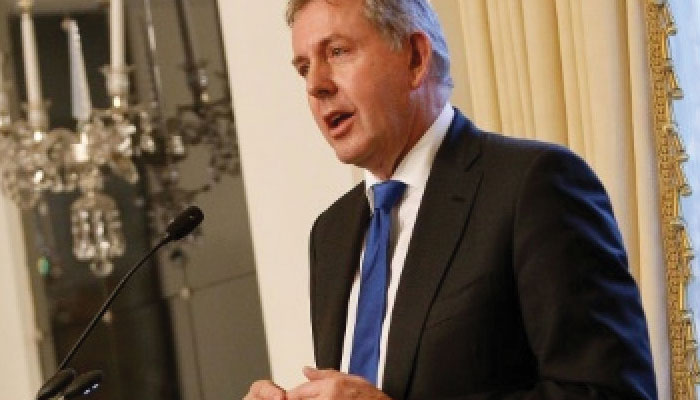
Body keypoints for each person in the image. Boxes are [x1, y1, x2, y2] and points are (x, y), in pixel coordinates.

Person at [245, 0, 657, 398]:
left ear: (415, 58)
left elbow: (608, 392)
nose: (316, 85)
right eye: (304, 68)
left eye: (337, 52)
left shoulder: (533, 186)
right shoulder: (331, 234)